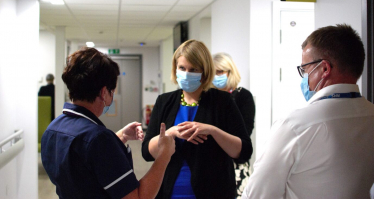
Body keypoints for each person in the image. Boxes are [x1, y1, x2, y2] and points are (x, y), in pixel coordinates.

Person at [242, 24, 374, 198]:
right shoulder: (370, 115)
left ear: (325, 69)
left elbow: (258, 194)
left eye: (305, 69)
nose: (304, 78)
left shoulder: (294, 125)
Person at [41, 47, 175, 199]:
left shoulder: (53, 129)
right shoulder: (99, 139)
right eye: (112, 91)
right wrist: (164, 155)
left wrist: (119, 138)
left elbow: (83, 163)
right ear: (104, 93)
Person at [142, 39, 252, 199]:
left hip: (213, 192)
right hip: (169, 190)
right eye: (182, 68)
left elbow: (244, 151)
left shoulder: (223, 102)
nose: (186, 74)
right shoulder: (164, 102)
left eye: (193, 69)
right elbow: (147, 152)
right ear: (175, 68)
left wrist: (212, 130)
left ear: (205, 71)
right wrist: (171, 133)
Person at [212, 52, 255, 197]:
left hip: (236, 166)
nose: (216, 76)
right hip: (211, 165)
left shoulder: (243, 96)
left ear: (230, 72)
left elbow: (244, 134)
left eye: (220, 72)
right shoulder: (208, 98)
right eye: (213, 72)